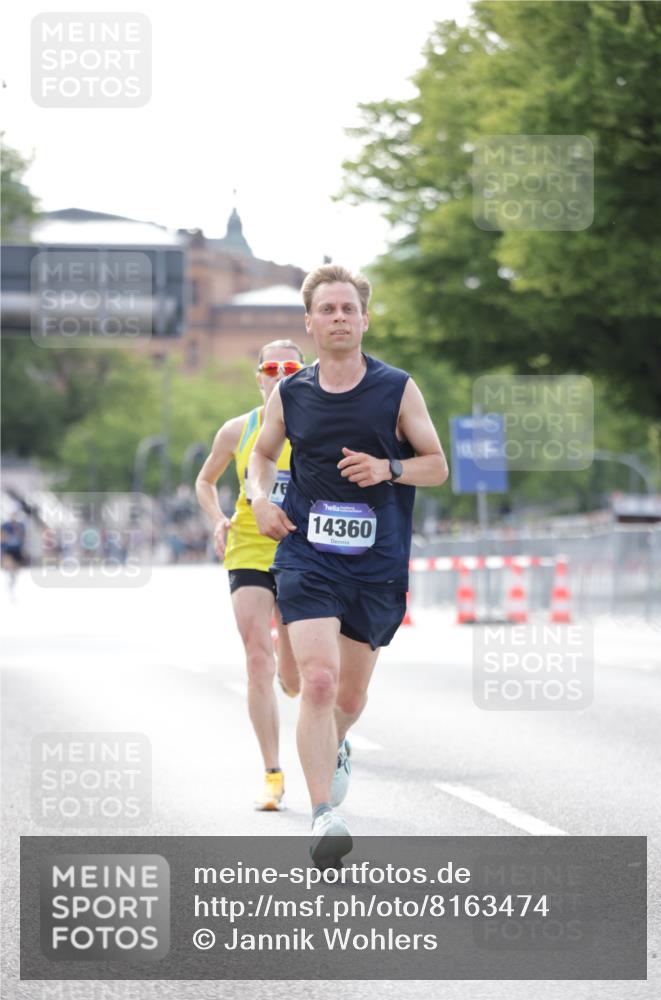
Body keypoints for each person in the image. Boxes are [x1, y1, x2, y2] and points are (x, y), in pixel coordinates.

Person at [248, 264, 448, 866]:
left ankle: (334, 745)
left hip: (377, 562)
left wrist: (389, 468)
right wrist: (261, 497)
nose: (338, 318)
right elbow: (261, 454)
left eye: (348, 309)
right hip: (308, 556)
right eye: (327, 309)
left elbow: (436, 465)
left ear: (364, 319)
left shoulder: (396, 389)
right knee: (320, 680)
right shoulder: (292, 393)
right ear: (310, 322)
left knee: (351, 696)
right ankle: (323, 815)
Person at [195, 340, 304, 811]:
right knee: (257, 659)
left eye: (291, 367)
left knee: (297, 677)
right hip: (249, 547)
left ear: (303, 374)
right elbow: (204, 480)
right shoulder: (237, 430)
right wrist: (217, 518)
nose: (280, 374)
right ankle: (272, 773)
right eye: (271, 368)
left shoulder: (320, 427)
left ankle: (292, 664)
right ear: (258, 376)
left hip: (304, 548)